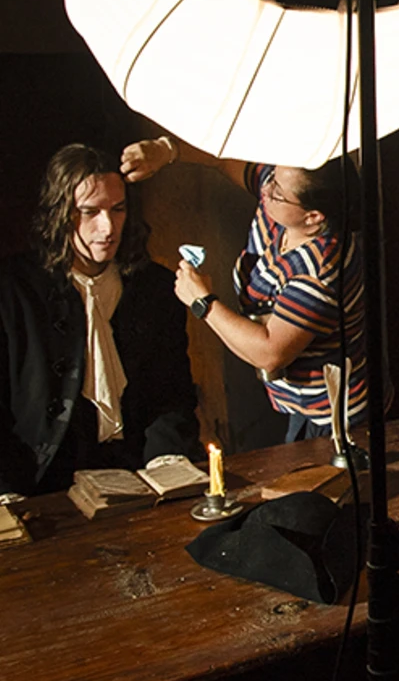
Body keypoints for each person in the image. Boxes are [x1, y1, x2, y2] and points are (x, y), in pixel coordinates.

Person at [120, 137, 366, 442]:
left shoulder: (321, 267)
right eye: (272, 176)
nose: (266, 188)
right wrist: (165, 150)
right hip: (290, 398)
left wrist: (203, 302)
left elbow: (270, 352)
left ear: (313, 217)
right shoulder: (281, 199)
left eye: (277, 191)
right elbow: (221, 159)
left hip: (329, 416)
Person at [0, 144, 199, 495]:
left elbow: (171, 394)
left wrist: (167, 461)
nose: (107, 228)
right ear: (62, 213)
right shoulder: (13, 289)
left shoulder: (154, 286)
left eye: (117, 209)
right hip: (43, 475)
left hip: (136, 464)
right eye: (90, 212)